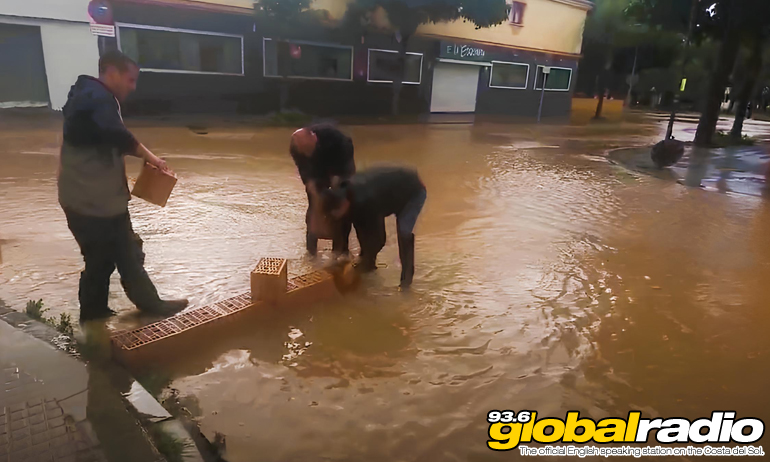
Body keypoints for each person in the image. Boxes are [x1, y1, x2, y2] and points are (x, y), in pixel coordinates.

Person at [58, 50, 188, 323]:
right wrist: (150, 157)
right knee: (127, 251)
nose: (133, 86)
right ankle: (151, 306)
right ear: (111, 73)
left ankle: (93, 317)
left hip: (79, 197)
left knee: (100, 258)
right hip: (96, 201)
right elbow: (116, 134)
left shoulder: (84, 95)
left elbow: (104, 141)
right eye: (130, 79)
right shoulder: (100, 98)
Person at [319, 165, 427, 289]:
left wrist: (359, 263)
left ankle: (406, 284)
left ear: (344, 204)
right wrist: (338, 257)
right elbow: (356, 227)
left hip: (413, 192)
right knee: (364, 230)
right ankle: (370, 268)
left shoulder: (367, 201)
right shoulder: (343, 194)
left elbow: (379, 240)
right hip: (388, 189)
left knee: (404, 232)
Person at [290, 124, 356, 256]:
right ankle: (311, 251)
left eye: (309, 149)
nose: (307, 153)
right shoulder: (296, 148)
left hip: (340, 165)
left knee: (341, 207)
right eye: (304, 151)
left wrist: (338, 183)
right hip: (316, 170)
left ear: (314, 138)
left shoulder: (336, 139)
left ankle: (341, 250)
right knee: (314, 206)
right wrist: (310, 184)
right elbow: (303, 168)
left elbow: (346, 168)